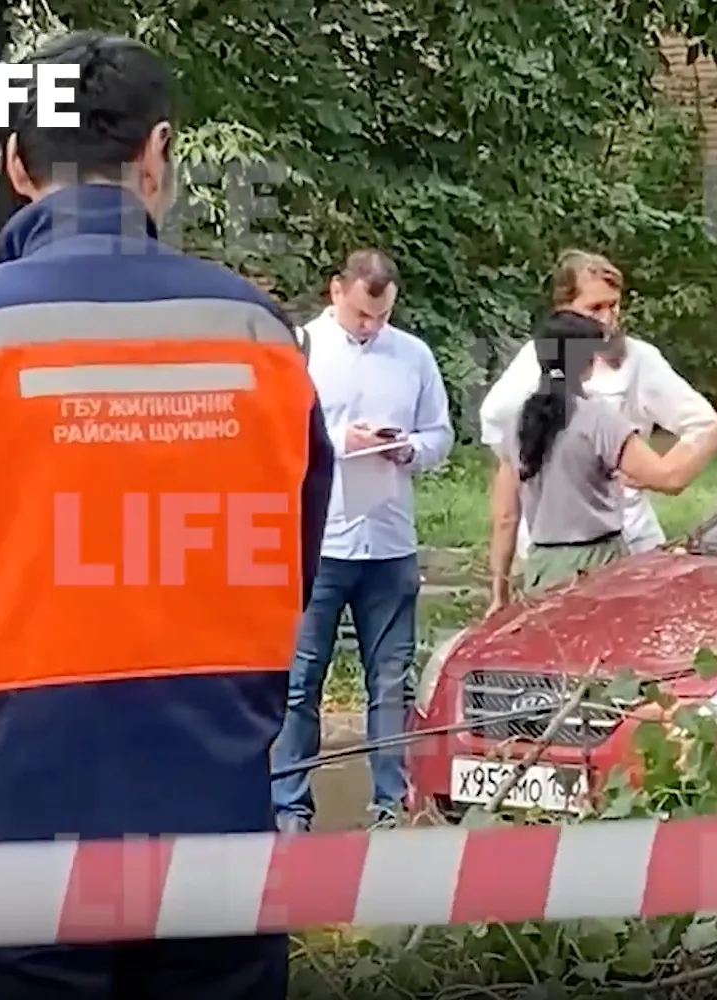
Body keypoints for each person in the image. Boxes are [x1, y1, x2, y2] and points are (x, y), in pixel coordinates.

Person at [0, 31, 334, 1000]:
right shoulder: (261, 338)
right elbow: (287, 563)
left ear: (13, 162)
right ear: (158, 152)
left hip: (14, 825)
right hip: (219, 824)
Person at [273, 249, 453, 832]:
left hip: (389, 537)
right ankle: (290, 804)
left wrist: (410, 449)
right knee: (301, 681)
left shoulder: (412, 356)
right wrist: (337, 440)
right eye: (360, 315)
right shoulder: (301, 350)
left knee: (389, 680)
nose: (370, 327)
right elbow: (276, 429)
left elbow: (441, 434)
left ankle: (386, 802)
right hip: (318, 539)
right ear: (336, 293)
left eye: (380, 316)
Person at [487, 311, 717, 610]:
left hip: (542, 566)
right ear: (590, 361)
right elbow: (671, 479)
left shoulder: (518, 422)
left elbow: (506, 517)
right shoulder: (598, 417)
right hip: (595, 568)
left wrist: (499, 593)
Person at [479, 250, 717, 557]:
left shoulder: (638, 360)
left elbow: (701, 422)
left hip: (627, 536)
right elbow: (505, 451)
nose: (607, 318)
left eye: (613, 305)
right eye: (594, 308)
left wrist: (655, 470)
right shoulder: (532, 362)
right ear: (564, 309)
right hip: (549, 540)